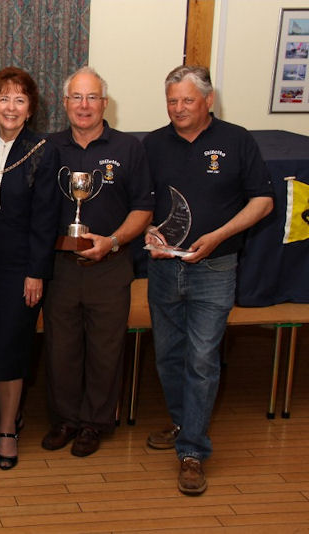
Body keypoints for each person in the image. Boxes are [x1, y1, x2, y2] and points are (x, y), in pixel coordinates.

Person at [144, 65, 273, 495]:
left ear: (208, 100)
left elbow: (264, 200)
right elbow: (142, 202)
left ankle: (193, 451)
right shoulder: (153, 144)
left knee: (201, 360)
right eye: (172, 100)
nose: (178, 109)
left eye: (188, 100)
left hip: (216, 269)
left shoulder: (237, 140)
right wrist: (147, 231)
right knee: (168, 355)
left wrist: (218, 236)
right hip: (163, 268)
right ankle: (183, 424)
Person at [43, 66, 154, 457]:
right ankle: (65, 419)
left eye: (92, 98)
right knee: (61, 348)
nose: (84, 105)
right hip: (59, 267)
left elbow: (144, 208)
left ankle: (94, 423)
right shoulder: (48, 147)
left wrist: (111, 241)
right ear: (65, 103)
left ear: (105, 103)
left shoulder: (128, 149)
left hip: (111, 265)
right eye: (77, 97)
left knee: (106, 350)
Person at [0, 67, 59, 470]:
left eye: (19, 100)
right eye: (3, 98)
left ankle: (7, 430)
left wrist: (35, 271)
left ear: (30, 109)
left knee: (10, 346)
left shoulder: (43, 149)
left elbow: (46, 220)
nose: (10, 106)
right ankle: (12, 415)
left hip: (20, 265)